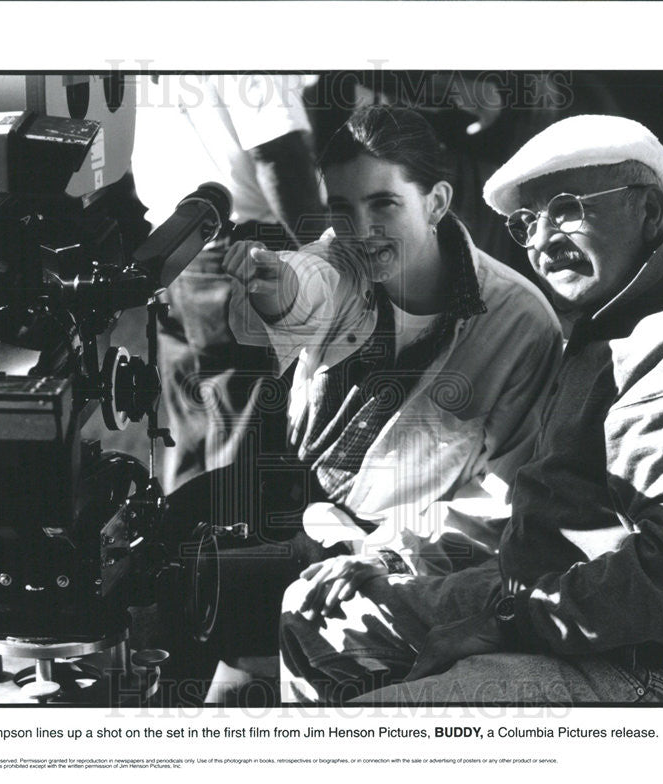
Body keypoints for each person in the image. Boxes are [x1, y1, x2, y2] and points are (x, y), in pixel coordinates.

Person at [279, 114, 663, 704]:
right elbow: (524, 516)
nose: (543, 241)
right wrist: (390, 562)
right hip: (549, 607)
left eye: (568, 207)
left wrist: (503, 623)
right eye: (527, 223)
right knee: (315, 613)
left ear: (650, 212)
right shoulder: (607, 330)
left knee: (363, 735)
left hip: (639, 664)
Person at [180, 106, 559, 702]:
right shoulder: (340, 258)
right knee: (156, 564)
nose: (362, 229)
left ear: (436, 203)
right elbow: (311, 285)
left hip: (402, 553)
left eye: (384, 204)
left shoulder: (521, 323)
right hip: (298, 505)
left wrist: (384, 555)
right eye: (342, 209)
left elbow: (501, 505)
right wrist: (278, 288)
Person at [132, 74, 326, 491]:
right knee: (245, 436)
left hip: (173, 248)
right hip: (238, 249)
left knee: (196, 431)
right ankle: (225, 547)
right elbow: (277, 153)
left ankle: (183, 548)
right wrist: (330, 261)